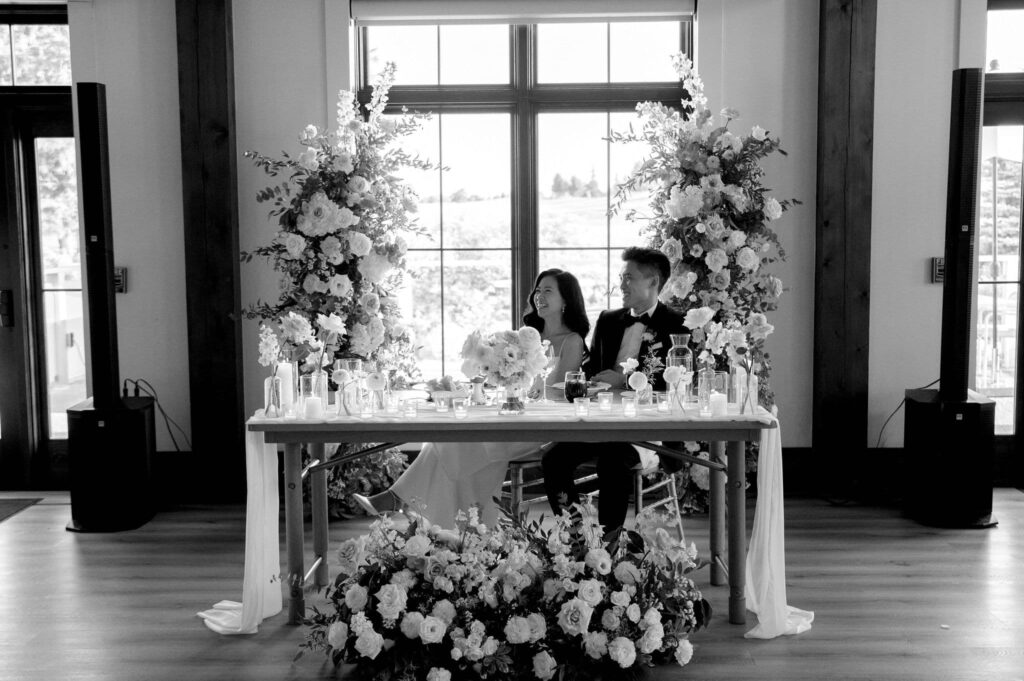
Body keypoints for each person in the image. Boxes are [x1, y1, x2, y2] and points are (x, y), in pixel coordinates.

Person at [352, 268, 590, 526]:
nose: (539, 296)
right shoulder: (525, 335)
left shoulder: (572, 340)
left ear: (566, 299)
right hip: (514, 411)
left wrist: (525, 385)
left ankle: (401, 502)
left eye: (548, 291)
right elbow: (507, 378)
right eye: (538, 290)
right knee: (455, 437)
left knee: (462, 441)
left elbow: (560, 390)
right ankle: (463, 528)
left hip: (544, 423)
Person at [542, 246, 688, 533]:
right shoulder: (608, 320)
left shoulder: (677, 324)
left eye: (628, 278)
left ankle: (609, 544)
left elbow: (676, 384)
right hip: (600, 421)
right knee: (553, 460)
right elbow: (591, 370)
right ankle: (578, 537)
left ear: (653, 282)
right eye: (622, 277)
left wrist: (625, 380)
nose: (621, 285)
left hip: (647, 429)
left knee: (612, 461)